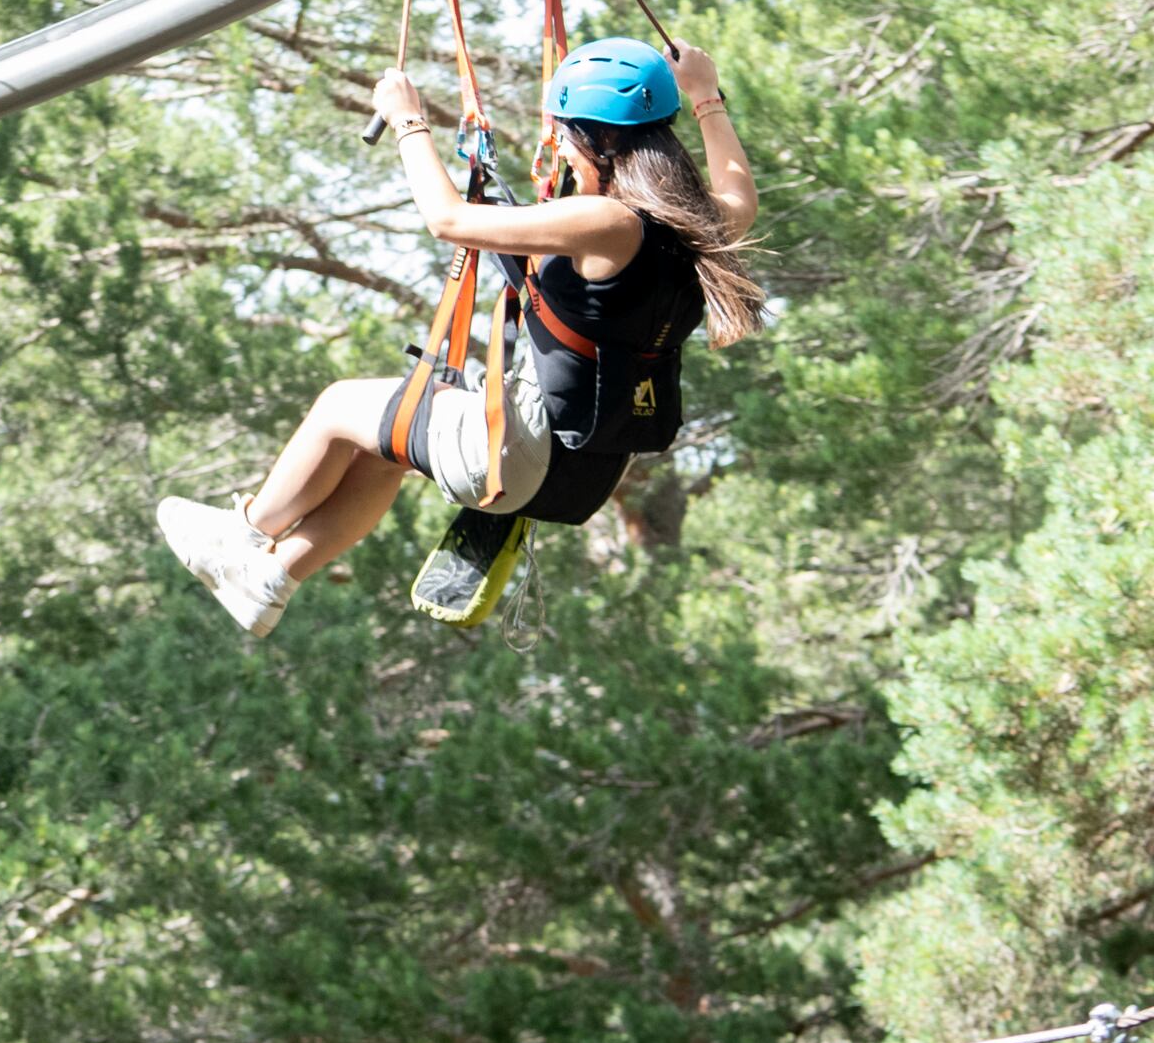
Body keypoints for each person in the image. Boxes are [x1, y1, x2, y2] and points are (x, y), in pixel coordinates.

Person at [157, 34, 761, 636]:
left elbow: (448, 219)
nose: (564, 152)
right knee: (384, 440)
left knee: (341, 405)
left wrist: (408, 120)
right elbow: (739, 191)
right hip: (585, 477)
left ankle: (241, 536)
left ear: (601, 141)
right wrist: (705, 94)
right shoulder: (701, 220)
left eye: (566, 137)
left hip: (519, 454)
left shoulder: (608, 220)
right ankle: (270, 580)